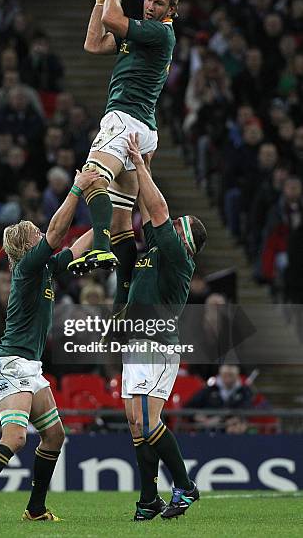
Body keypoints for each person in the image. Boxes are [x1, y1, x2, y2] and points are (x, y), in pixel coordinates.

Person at [0, 167, 98, 523]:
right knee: (17, 437)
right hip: (12, 364)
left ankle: (35, 509)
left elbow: (78, 244)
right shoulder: (27, 267)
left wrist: (110, 217)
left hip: (30, 366)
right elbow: (57, 232)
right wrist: (78, 189)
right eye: (37, 234)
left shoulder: (45, 268)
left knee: (54, 436)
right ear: (26, 245)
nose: (43, 235)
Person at [67, 0, 179, 311]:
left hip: (124, 118)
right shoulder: (144, 33)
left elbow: (114, 21)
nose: (149, 6)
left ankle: (99, 245)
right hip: (144, 131)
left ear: (171, 10)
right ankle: (121, 305)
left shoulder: (159, 32)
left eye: (158, 4)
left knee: (91, 179)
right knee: (121, 220)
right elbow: (94, 42)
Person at [120, 134, 207, 521]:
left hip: (155, 342)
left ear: (185, 237)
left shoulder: (177, 257)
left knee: (147, 420)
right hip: (139, 341)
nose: (171, 223)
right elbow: (148, 204)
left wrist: (138, 162)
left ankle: (185, 487)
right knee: (135, 422)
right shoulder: (160, 247)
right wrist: (147, 167)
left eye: (178, 224)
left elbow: (157, 209)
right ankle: (148, 498)